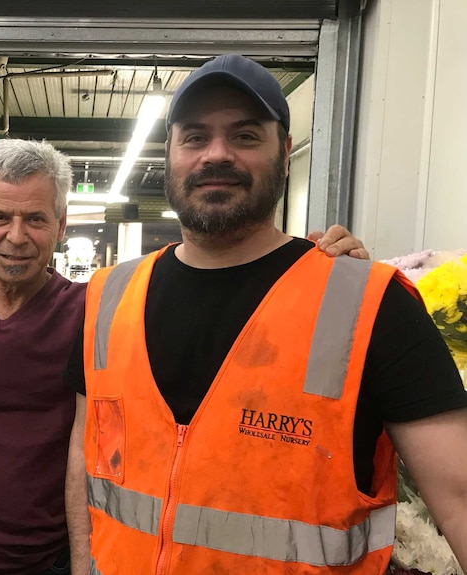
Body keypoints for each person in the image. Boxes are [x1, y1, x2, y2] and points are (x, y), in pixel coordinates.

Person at [0, 139, 367, 575]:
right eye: (0, 217)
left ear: (61, 225)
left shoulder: (94, 309)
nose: (16, 236)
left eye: (36, 218)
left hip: (43, 561)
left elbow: (211, 313)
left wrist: (309, 269)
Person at [64, 54, 467, 575]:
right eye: (194, 136)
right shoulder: (108, 296)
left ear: (284, 151)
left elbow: (458, 494)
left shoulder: (369, 305)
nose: (217, 154)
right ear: (169, 154)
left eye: (246, 136)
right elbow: (86, 453)